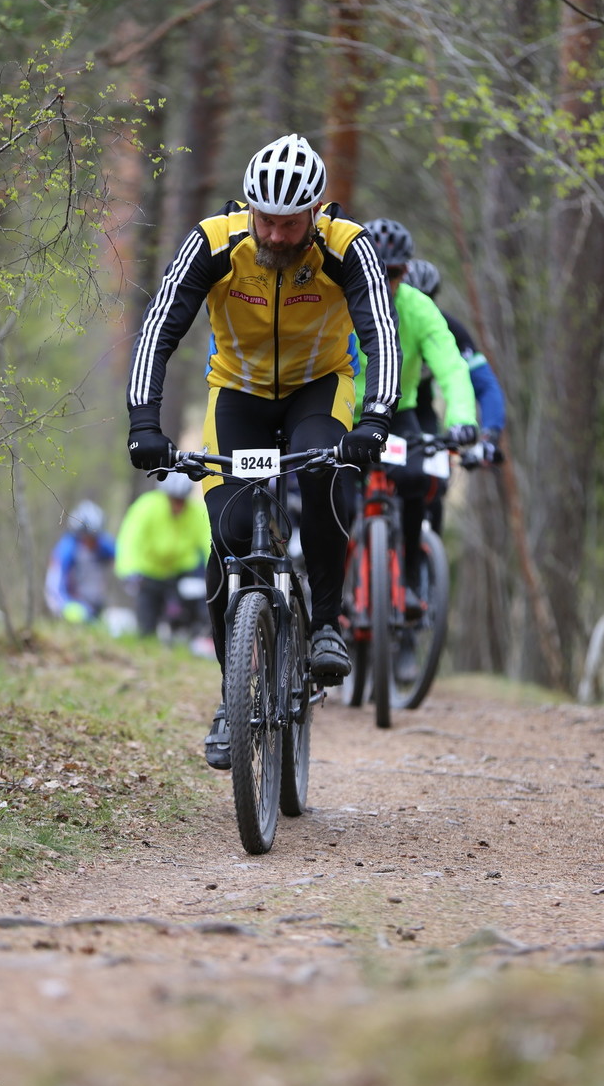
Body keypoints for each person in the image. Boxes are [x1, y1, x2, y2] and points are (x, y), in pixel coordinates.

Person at [125, 133, 401, 768]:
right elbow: (159, 327)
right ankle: (232, 696)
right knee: (229, 533)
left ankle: (326, 622)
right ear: (249, 209)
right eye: (266, 221)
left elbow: (379, 332)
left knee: (326, 474)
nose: (277, 236)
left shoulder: (346, 248)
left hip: (319, 389)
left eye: (291, 222)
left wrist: (376, 417)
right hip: (239, 397)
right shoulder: (213, 243)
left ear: (316, 213)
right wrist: (145, 423)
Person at [352, 218, 479, 591]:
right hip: (341, 412)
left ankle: (408, 575)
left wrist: (461, 418)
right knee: (332, 494)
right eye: (377, 271)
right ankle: (328, 589)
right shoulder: (340, 297)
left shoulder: (419, 308)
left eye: (393, 274)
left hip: (394, 412)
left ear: (405, 271)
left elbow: (452, 367)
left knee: (414, 478)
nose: (386, 283)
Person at [405, 257, 506, 533]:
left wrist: (489, 437)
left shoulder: (448, 328)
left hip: (420, 413)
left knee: (434, 487)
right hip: (378, 410)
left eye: (427, 299)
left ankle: (421, 564)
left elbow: (485, 385)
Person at [114, 472, 212, 642]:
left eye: (182, 500)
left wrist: (215, 568)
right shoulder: (146, 506)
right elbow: (129, 539)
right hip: (148, 572)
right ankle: (148, 647)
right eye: (174, 499)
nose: (178, 505)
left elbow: (208, 541)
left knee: (194, 604)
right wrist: (129, 569)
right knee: (147, 625)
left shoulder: (196, 513)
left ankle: (192, 639)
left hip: (180, 571)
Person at [44, 500, 115, 623]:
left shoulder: (102, 545)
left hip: (97, 605)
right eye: (90, 538)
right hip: (72, 606)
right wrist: (67, 607)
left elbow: (121, 556)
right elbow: (53, 587)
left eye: (96, 537)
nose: (94, 542)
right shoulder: (66, 549)